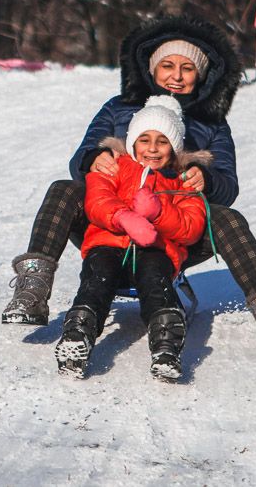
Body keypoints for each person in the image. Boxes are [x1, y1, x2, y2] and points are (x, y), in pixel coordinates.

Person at [2, 15, 256, 371]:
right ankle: (33, 288)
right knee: (64, 189)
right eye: (168, 65)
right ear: (152, 67)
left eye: (187, 68)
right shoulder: (119, 107)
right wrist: (94, 157)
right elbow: (80, 159)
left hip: (173, 233)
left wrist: (206, 179)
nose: (176, 74)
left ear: (200, 75)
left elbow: (228, 185)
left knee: (228, 218)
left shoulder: (211, 123)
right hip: (108, 225)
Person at [55, 96, 208, 380]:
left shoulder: (182, 183)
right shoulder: (114, 166)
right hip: (108, 243)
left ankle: (166, 344)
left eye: (162, 141)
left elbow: (191, 227)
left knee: (155, 280)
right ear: (133, 142)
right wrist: (124, 217)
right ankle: (79, 334)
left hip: (156, 251)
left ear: (174, 148)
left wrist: (159, 213)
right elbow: (97, 200)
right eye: (145, 139)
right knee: (96, 279)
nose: (152, 148)